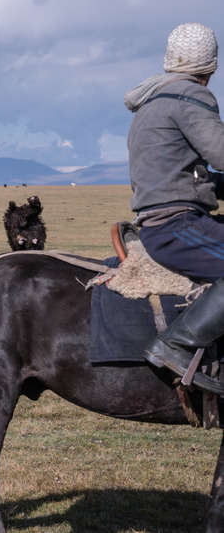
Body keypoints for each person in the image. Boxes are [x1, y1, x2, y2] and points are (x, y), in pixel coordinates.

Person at [127, 22, 224, 394]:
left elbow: (189, 177)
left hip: (162, 220)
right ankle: (176, 343)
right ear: (210, 67)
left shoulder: (153, 101)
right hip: (175, 225)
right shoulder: (191, 98)